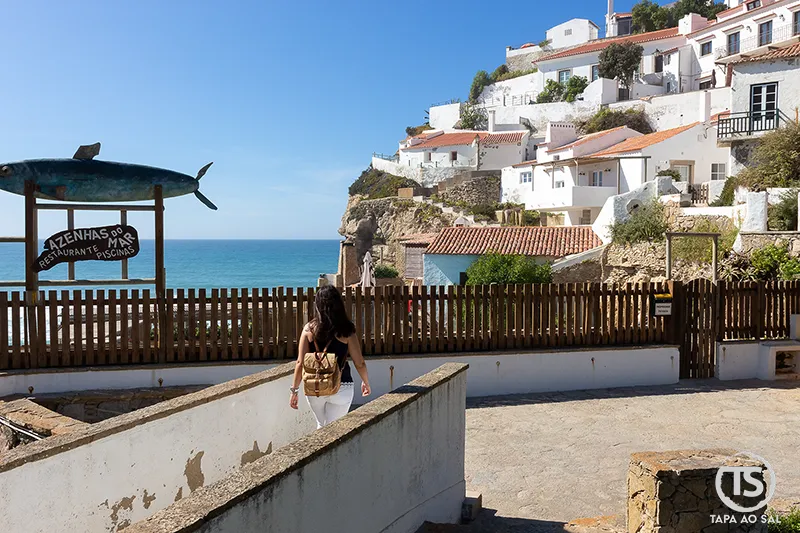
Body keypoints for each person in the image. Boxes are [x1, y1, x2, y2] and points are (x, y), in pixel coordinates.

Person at [289, 285, 371, 428]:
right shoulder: (346, 330)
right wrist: (365, 382)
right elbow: (360, 363)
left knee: (321, 426)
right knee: (336, 429)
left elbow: (300, 363)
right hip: (342, 385)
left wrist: (294, 390)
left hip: (314, 385)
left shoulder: (309, 329)